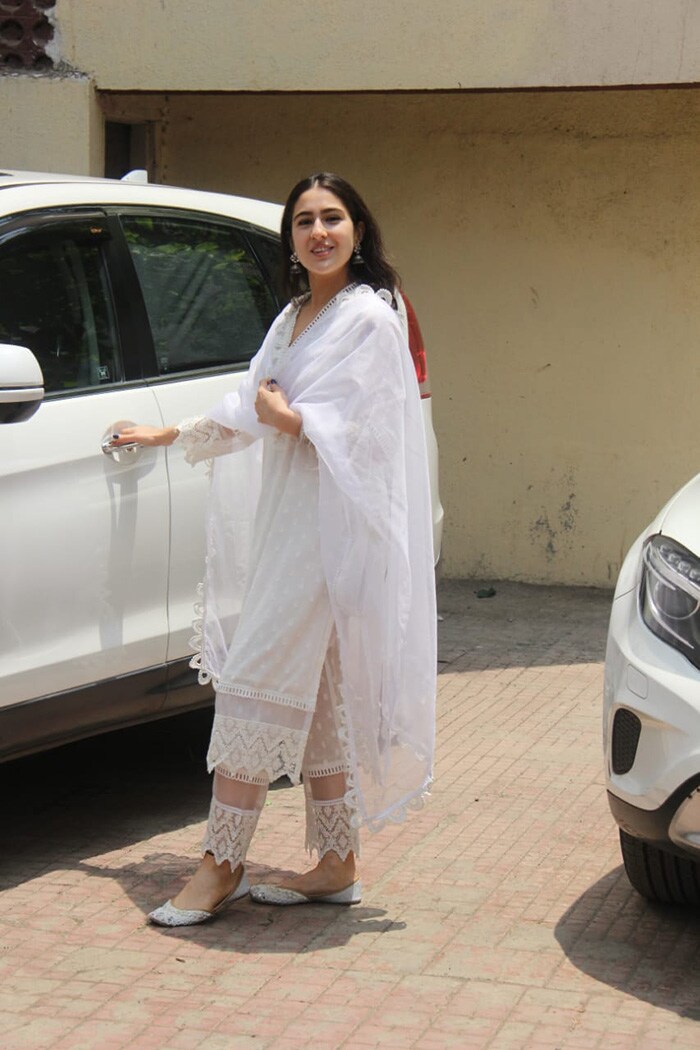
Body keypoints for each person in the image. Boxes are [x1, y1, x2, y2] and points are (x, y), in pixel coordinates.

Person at [111, 173, 436, 927]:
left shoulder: (369, 318)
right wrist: (171, 433)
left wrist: (292, 421)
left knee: (253, 679)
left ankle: (220, 865)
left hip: (334, 535)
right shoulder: (296, 316)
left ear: (358, 228)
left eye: (332, 218)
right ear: (290, 239)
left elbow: (374, 435)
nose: (318, 232)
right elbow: (250, 402)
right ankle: (335, 863)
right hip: (293, 523)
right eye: (304, 222)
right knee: (320, 695)